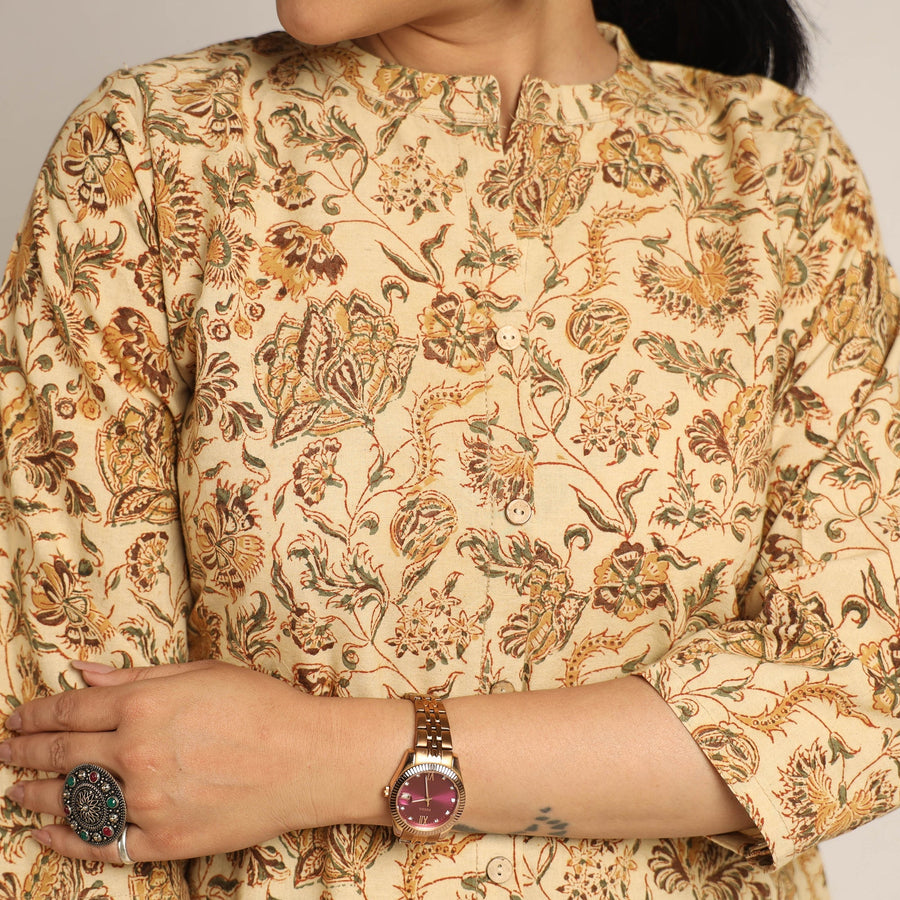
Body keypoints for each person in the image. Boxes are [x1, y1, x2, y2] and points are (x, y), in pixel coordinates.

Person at [0, 0, 898, 897]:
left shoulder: (779, 173)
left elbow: (851, 708)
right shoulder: (156, 149)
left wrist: (321, 757)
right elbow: (62, 801)